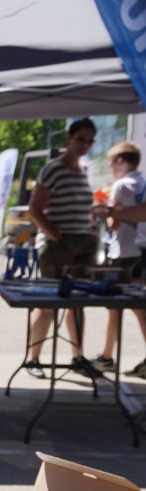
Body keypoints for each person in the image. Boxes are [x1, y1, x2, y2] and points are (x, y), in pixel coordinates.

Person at [23, 119, 101, 379]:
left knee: (77, 303)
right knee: (47, 305)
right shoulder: (52, 169)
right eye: (81, 139)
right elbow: (35, 209)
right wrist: (56, 238)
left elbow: (83, 209)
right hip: (58, 244)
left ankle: (78, 356)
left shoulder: (83, 170)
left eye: (90, 140)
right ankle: (33, 358)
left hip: (83, 243)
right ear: (69, 137)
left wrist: (92, 226)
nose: (85, 145)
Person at [94, 141, 146, 377]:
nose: (111, 168)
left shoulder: (121, 185)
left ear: (121, 162)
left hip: (122, 252)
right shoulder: (142, 182)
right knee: (121, 307)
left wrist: (105, 209)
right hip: (138, 249)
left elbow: (113, 222)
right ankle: (106, 355)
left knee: (132, 308)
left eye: (112, 163)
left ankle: (107, 356)